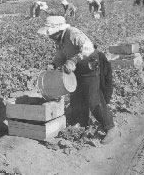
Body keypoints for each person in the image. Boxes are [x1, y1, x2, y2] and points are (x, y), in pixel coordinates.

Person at [37, 16, 117, 144]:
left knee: (94, 99)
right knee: (76, 97)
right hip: (76, 69)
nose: (49, 36)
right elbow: (61, 55)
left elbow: (88, 47)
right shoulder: (60, 40)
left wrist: (73, 60)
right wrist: (53, 64)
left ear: (57, 30)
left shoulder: (72, 33)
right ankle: (80, 124)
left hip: (89, 66)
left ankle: (110, 127)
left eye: (50, 33)